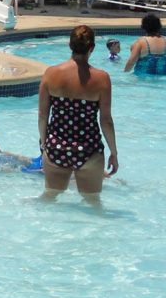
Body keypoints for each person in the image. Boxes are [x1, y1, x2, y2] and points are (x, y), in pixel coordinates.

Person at [38, 25, 118, 202]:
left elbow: (43, 116)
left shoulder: (51, 74)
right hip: (89, 149)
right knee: (93, 201)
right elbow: (106, 121)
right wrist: (114, 153)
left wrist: (45, 145)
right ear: (92, 48)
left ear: (70, 45)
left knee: (49, 197)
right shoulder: (101, 78)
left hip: (56, 147)